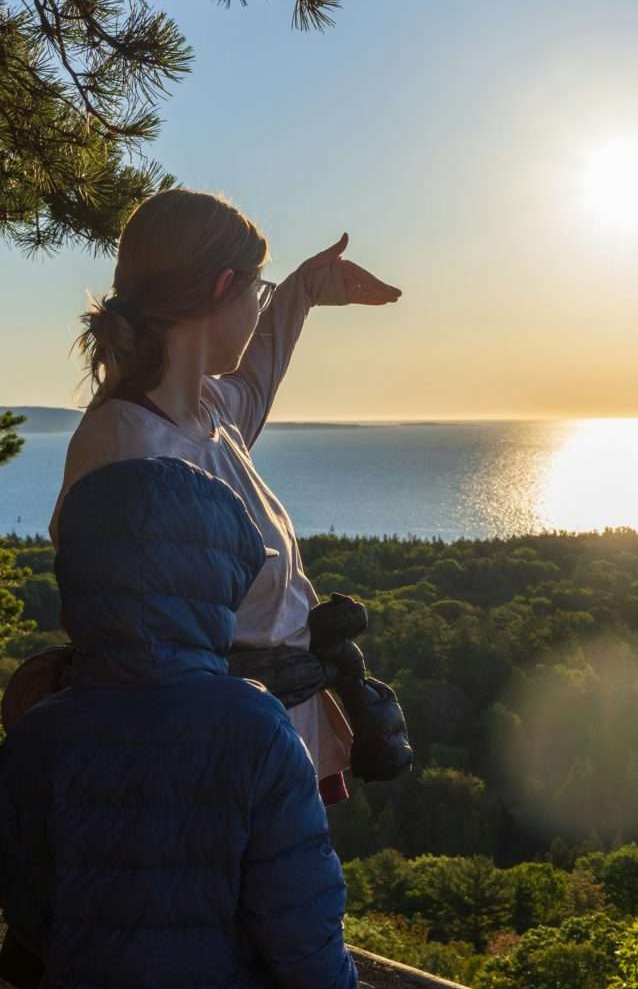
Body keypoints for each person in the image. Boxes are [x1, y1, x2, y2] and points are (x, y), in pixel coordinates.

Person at [0, 455, 357, 989]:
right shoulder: (254, 727)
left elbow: (29, 907)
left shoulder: (40, 740)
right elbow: (299, 914)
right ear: (209, 584)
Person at [59, 189, 402, 803]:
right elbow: (143, 665)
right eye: (258, 289)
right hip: (218, 772)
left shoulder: (207, 410)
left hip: (264, 742)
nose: (258, 303)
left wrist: (300, 291)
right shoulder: (132, 451)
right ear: (222, 288)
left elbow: (258, 378)